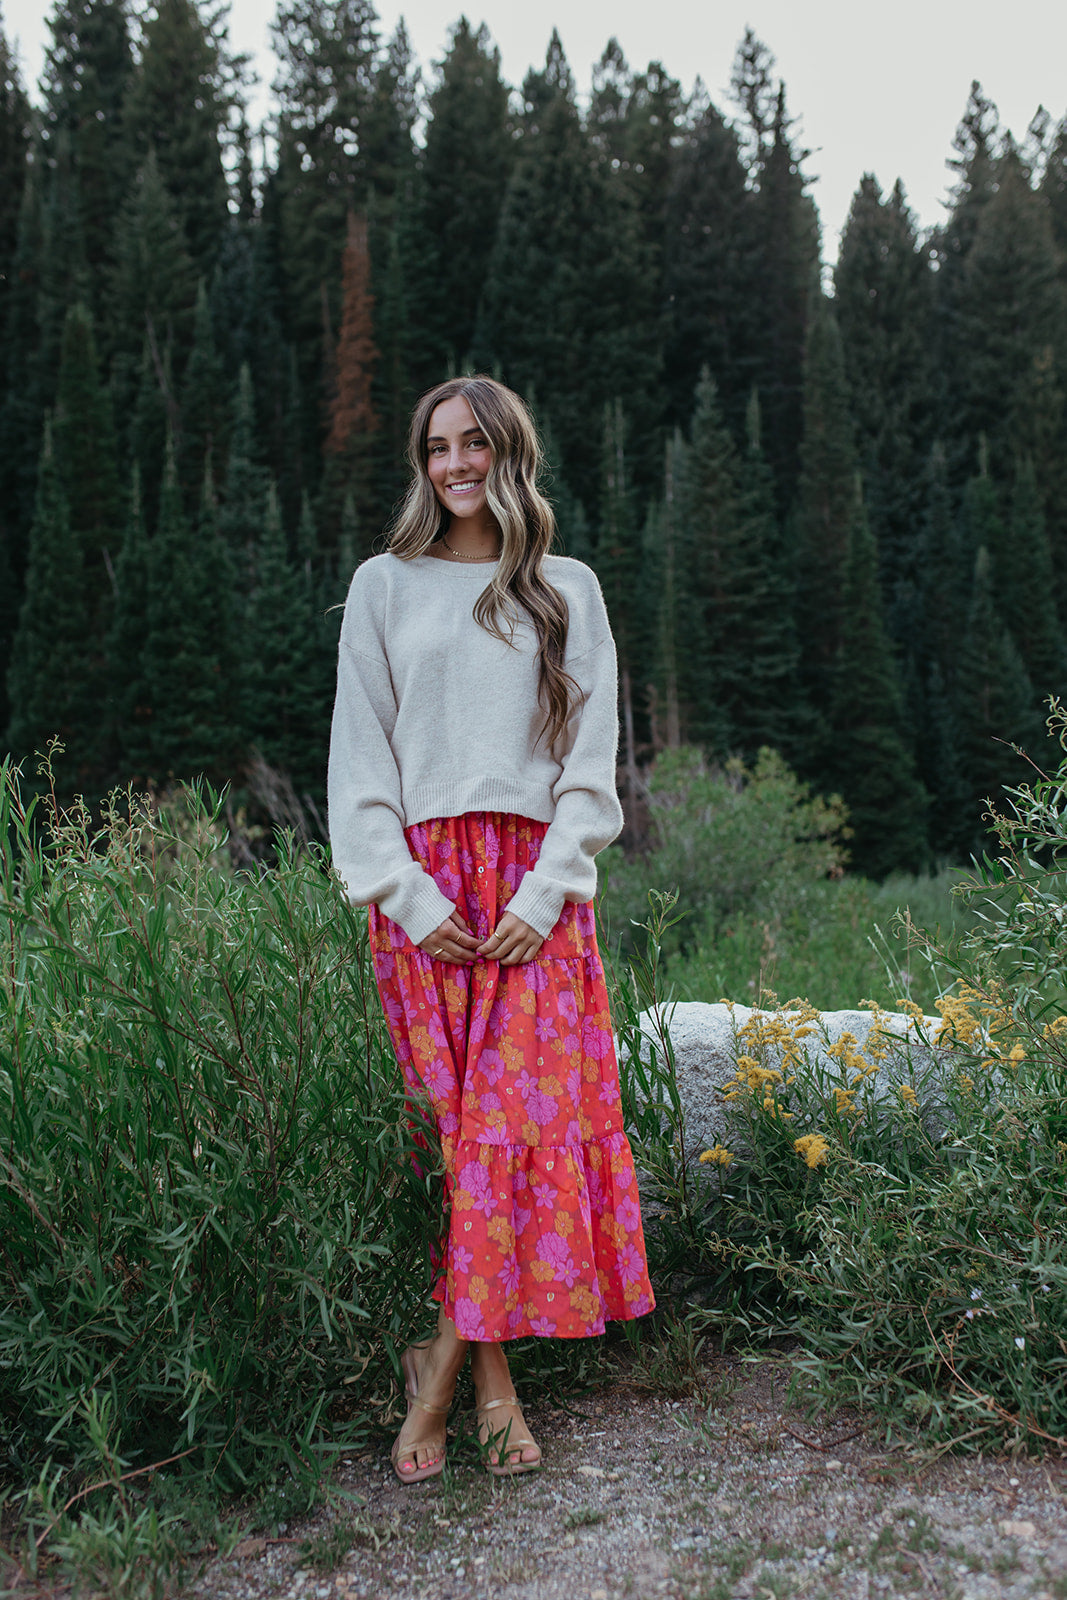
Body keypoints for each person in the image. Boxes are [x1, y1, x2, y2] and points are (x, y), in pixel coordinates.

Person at [327, 375, 654, 1484]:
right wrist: (415, 900)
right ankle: (491, 1379)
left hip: (534, 905)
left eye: (472, 443)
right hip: (426, 899)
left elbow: (589, 762)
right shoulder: (384, 586)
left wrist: (541, 891)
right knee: (459, 1143)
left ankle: (445, 1378)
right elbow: (359, 760)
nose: (454, 463)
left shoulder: (565, 588)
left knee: (506, 1134)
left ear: (509, 450)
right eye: (435, 447)